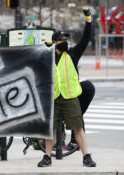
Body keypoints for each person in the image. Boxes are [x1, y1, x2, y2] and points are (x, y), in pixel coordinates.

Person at [38, 8, 96, 167]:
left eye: (66, 39)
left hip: (71, 98)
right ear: (55, 42)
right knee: (52, 131)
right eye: (62, 40)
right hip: (54, 98)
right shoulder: (48, 56)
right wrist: (46, 46)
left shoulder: (73, 54)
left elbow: (85, 39)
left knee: (78, 129)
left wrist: (88, 21)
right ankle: (47, 156)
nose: (65, 42)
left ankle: (86, 156)